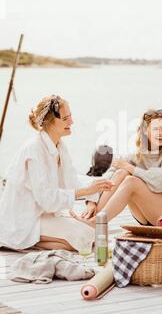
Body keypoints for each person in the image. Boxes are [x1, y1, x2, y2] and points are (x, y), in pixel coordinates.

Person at [0, 95, 114, 252]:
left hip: (44, 215)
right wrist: (87, 191)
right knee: (84, 240)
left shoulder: (59, 145)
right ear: (49, 123)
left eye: (71, 116)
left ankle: (37, 242)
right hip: (25, 219)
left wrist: (96, 187)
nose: (71, 122)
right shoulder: (34, 149)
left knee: (91, 238)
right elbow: (47, 200)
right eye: (66, 118)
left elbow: (72, 180)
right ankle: (25, 242)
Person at [73, 108, 162, 226]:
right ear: (145, 131)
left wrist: (132, 169)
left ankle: (95, 223)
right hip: (144, 215)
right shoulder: (138, 154)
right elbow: (110, 176)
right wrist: (91, 201)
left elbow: (159, 183)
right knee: (121, 173)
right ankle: (92, 218)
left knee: (131, 181)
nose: (160, 133)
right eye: (155, 129)